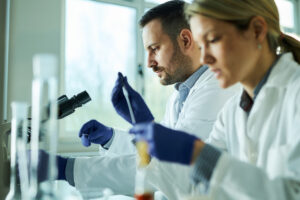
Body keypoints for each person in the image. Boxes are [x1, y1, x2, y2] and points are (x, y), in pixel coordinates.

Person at [37, 1, 238, 199]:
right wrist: (112, 138)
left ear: (185, 40)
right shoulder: (180, 95)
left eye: (155, 48)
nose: (149, 62)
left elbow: (170, 169)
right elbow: (154, 158)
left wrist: (65, 168)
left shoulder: (217, 88)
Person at [129, 0, 300, 199]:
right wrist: (151, 154)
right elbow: (197, 192)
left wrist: (200, 155)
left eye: (213, 40)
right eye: (201, 45)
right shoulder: (231, 113)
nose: (204, 58)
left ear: (256, 30)